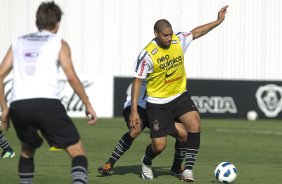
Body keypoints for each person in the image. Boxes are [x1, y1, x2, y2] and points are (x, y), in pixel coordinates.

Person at [0, 1, 97, 184]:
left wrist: (5, 108)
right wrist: (87, 104)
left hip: (19, 105)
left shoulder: (18, 42)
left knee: (27, 149)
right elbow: (72, 78)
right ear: (58, 23)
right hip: (47, 103)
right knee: (77, 152)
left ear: (37, 21)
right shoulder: (59, 43)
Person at [129, 5, 228, 182]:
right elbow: (137, 81)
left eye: (170, 33)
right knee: (159, 146)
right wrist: (134, 111)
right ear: (156, 34)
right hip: (158, 103)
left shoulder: (178, 40)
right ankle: (147, 160)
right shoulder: (147, 55)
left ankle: (187, 169)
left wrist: (218, 21)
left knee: (194, 124)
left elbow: (196, 33)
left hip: (180, 95)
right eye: (165, 35)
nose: (169, 38)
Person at [98, 79, 188, 176]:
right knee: (135, 129)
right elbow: (137, 80)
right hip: (137, 105)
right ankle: (109, 164)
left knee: (183, 134)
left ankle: (176, 167)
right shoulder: (146, 65)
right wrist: (133, 111)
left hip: (156, 109)